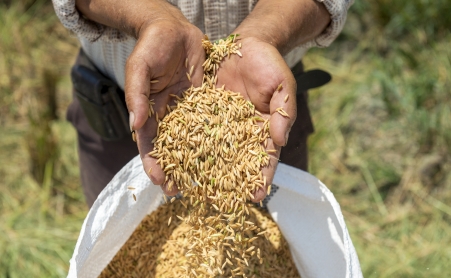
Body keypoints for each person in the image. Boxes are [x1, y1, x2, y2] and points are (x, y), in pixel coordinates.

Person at [52, 0, 352, 207]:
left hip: (266, 106)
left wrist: (265, 34)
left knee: (270, 259)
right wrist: (151, 17)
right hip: (122, 110)